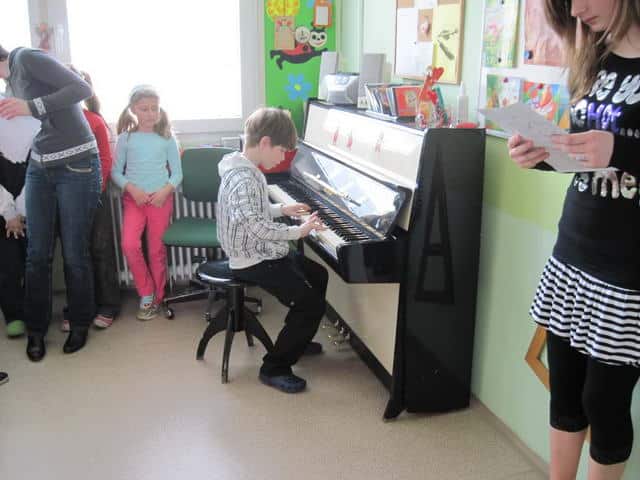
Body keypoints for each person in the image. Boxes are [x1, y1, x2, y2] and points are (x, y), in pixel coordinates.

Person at [508, 1, 640, 478]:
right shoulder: (595, 54)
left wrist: (621, 148)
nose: (578, 10)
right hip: (574, 251)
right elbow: (584, 154)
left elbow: (613, 151)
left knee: (603, 402)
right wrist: (541, 154)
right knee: (564, 391)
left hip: (628, 270)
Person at [217, 107, 328, 394]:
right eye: (282, 151)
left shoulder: (244, 167)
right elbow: (255, 226)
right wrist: (298, 232)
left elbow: (254, 209)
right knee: (310, 305)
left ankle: (297, 339)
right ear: (265, 142)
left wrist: (282, 209)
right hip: (253, 259)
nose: (283, 158)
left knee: (318, 274)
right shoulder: (243, 178)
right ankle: (274, 367)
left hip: (262, 250)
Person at [0, 44, 100, 361]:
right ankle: (36, 330)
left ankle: (80, 323)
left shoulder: (26, 58)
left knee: (74, 253)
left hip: (77, 163)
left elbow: (81, 89)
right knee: (36, 255)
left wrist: (30, 106)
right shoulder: (9, 86)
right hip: (40, 166)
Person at [111, 85, 182, 321]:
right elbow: (115, 172)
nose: (150, 113)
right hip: (134, 200)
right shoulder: (125, 139)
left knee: (156, 250)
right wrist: (132, 189)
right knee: (129, 245)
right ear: (133, 109)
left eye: (154, 108)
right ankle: (146, 291)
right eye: (144, 109)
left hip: (160, 200)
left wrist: (164, 191)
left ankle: (158, 297)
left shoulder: (167, 138)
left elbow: (177, 174)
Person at [60, 66, 120, 331]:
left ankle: (108, 304)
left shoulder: (94, 121)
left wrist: (95, 190)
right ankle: (80, 306)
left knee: (100, 248)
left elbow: (105, 159)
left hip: (95, 195)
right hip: (64, 197)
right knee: (74, 254)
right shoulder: (51, 122)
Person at [0, 150, 27, 338]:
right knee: (7, 264)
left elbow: (32, 176)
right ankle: (13, 315)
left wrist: (18, 212)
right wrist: (9, 214)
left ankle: (31, 309)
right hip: (4, 213)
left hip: (27, 204)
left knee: (33, 260)